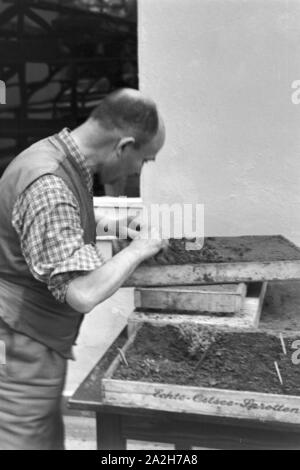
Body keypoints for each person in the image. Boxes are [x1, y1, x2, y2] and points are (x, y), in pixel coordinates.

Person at [0, 88, 166, 450]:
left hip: (34, 341)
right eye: (146, 160)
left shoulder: (60, 158)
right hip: (19, 346)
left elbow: (60, 223)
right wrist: (138, 250)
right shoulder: (49, 183)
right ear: (123, 147)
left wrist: (113, 225)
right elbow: (82, 292)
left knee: (43, 439)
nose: (139, 169)